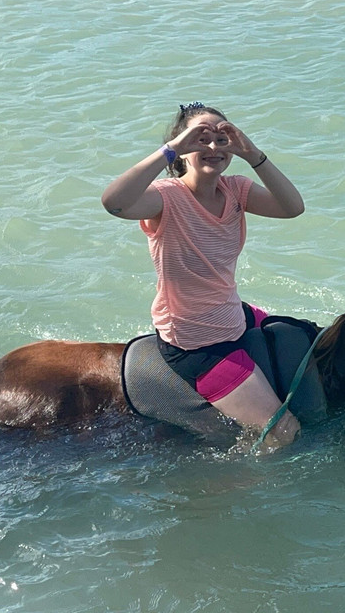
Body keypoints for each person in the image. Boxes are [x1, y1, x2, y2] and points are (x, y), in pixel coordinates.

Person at [101, 103, 306, 450]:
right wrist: (172, 149)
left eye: (221, 138)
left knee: (301, 340)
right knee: (283, 434)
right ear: (182, 148)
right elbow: (114, 202)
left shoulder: (236, 190)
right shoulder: (165, 199)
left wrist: (253, 154)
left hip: (233, 315)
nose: (212, 147)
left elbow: (293, 208)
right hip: (196, 342)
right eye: (201, 139)